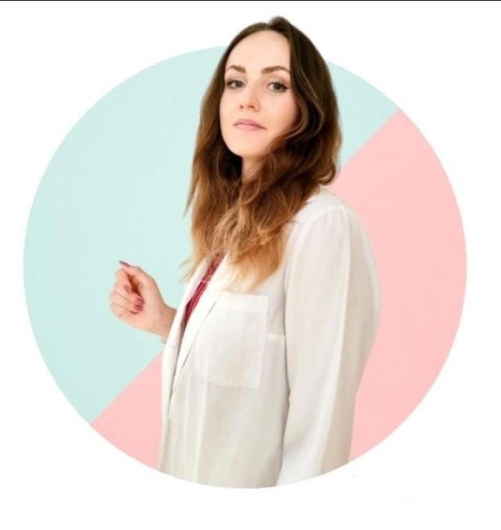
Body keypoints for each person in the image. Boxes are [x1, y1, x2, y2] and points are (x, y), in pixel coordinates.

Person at [108, 16, 381, 488]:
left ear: (307, 110)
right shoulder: (231, 222)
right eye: (235, 82)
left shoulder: (320, 226)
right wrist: (166, 321)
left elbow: (322, 417)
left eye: (276, 85)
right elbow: (250, 365)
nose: (247, 99)